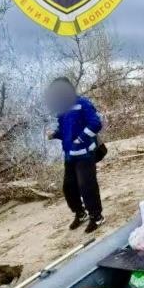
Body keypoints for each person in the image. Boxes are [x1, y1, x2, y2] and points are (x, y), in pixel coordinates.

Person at [46, 77, 105, 233]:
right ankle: (80, 213)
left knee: (87, 187)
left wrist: (80, 139)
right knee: (69, 187)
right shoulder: (62, 109)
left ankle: (96, 217)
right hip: (69, 155)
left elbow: (96, 124)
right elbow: (64, 132)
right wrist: (54, 134)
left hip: (85, 154)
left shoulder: (83, 103)